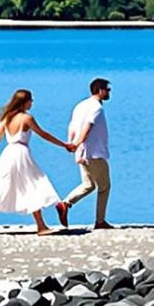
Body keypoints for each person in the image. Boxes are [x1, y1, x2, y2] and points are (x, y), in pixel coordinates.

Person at [0, 88, 71, 235]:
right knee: (32, 185)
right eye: (30, 100)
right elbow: (43, 134)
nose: (32, 103)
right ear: (24, 102)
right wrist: (64, 144)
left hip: (7, 155)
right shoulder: (26, 118)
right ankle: (41, 225)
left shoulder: (6, 118)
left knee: (0, 188)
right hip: (21, 155)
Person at [59, 77, 114, 229]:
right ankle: (100, 221)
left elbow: (72, 126)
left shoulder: (80, 106)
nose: (109, 93)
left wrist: (72, 143)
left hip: (81, 153)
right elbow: (87, 127)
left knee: (88, 185)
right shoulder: (96, 107)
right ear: (100, 90)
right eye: (107, 90)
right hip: (94, 153)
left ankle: (65, 203)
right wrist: (76, 143)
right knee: (104, 186)